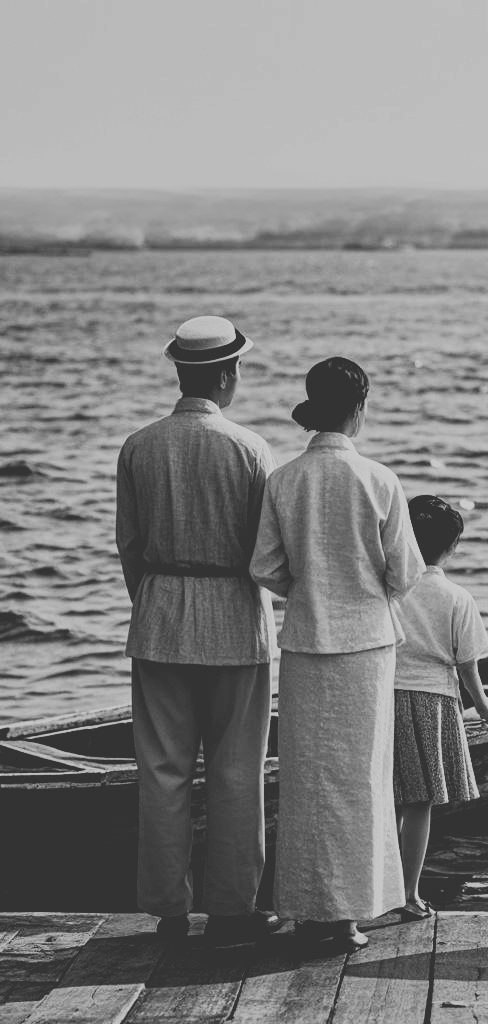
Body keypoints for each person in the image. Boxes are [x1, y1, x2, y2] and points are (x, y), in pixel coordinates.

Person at [115, 315, 280, 946]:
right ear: (225, 374)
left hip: (158, 614)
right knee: (238, 772)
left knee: (162, 769)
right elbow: (266, 552)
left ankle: (168, 910)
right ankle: (234, 908)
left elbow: (129, 544)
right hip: (236, 618)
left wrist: (155, 601)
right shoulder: (249, 448)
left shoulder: (139, 445)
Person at [250, 356, 424, 951]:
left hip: (304, 643)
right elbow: (405, 572)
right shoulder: (379, 479)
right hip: (366, 645)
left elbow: (266, 569)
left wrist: (310, 588)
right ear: (360, 406)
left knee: (306, 780)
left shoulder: (284, 479)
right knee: (361, 780)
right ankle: (349, 913)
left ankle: (307, 907)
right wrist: (362, 589)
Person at [391, 494, 488, 919]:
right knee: (419, 803)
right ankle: (407, 895)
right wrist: (487, 708)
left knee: (385, 800)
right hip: (433, 703)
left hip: (385, 698)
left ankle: (374, 889)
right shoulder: (457, 597)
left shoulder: (391, 588)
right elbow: (468, 668)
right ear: (452, 547)